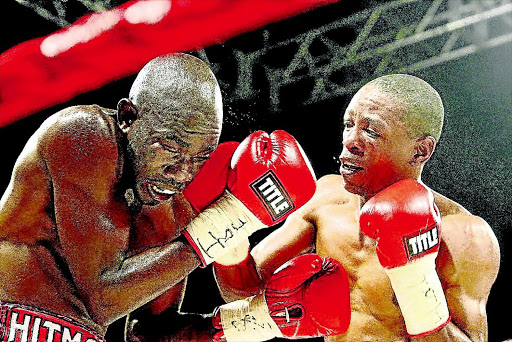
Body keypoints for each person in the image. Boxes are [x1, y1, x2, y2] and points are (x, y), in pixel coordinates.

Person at [0, 53, 322, 342]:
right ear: (128, 117)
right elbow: (101, 300)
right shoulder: (84, 136)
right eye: (170, 147)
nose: (182, 174)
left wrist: (252, 322)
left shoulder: (165, 212)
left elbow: (148, 333)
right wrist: (232, 219)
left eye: (200, 158)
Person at [212, 74, 501, 341]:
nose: (350, 142)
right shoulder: (326, 199)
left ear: (420, 150)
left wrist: (415, 278)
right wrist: (228, 217)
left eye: (371, 131)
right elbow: (243, 291)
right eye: (349, 125)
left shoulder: (463, 234)